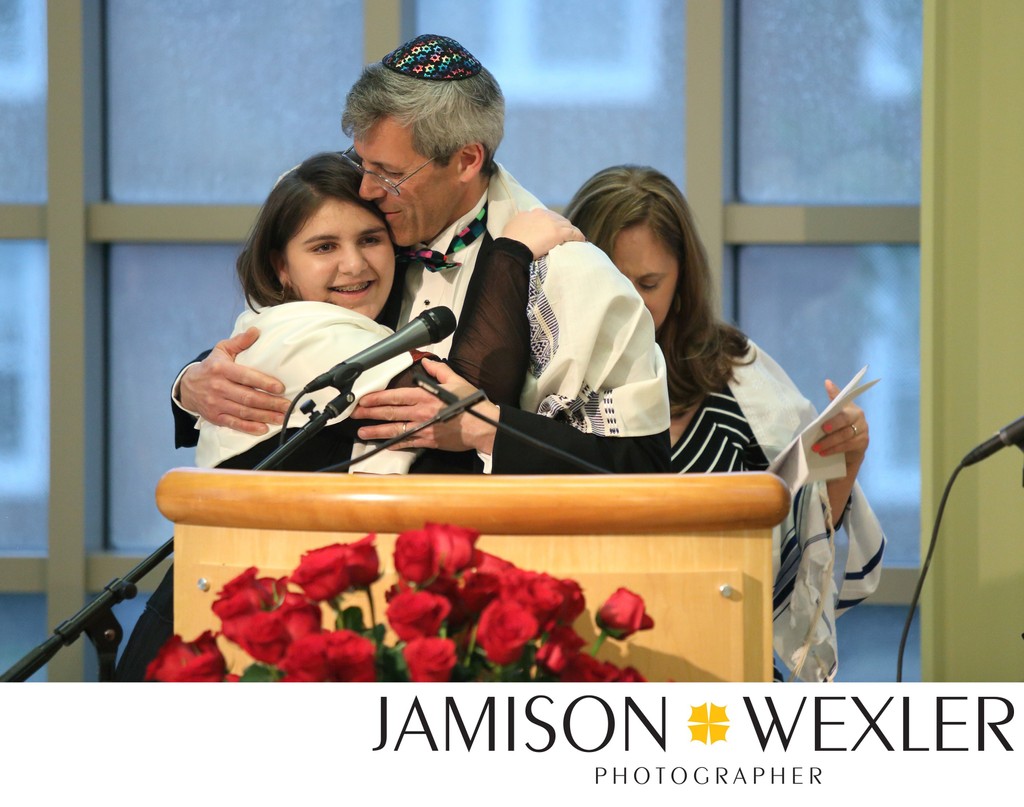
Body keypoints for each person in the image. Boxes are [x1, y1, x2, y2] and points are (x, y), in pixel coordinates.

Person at [114, 152, 581, 681]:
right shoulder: (303, 331)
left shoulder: (328, 329)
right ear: (280, 267)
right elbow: (456, 401)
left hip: (263, 623)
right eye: (324, 247)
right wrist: (511, 254)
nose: (354, 265)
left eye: (370, 240)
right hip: (214, 633)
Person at [169, 34, 671, 475]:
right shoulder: (365, 226)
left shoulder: (563, 272)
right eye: (361, 162)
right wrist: (190, 384)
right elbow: (287, 335)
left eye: (389, 173)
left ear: (466, 160)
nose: (367, 189)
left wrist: (492, 430)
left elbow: (641, 464)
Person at [564, 165, 886, 682]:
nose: (631, 306)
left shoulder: (734, 375)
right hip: (586, 664)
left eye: (649, 284)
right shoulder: (540, 376)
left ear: (682, 280)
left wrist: (844, 459)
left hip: (726, 660)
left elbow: (804, 535)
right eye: (613, 284)